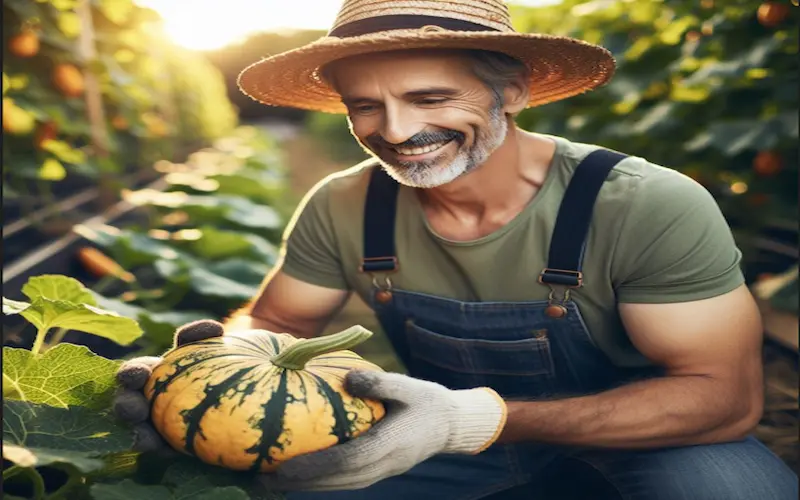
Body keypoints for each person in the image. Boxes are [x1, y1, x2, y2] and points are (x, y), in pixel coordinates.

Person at [112, 1, 799, 498]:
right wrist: (212, 367)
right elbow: (280, 324)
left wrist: (468, 420)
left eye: (431, 96)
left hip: (645, 439)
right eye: (365, 107)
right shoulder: (345, 203)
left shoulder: (643, 202)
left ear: (515, 91)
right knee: (295, 484)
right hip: (431, 438)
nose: (398, 131)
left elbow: (724, 398)